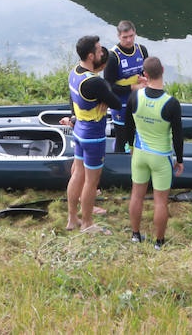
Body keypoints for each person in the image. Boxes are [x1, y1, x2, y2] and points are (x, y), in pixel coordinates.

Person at [65, 34, 125, 232]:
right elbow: (117, 103)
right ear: (91, 56)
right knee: (91, 181)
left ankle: (73, 219)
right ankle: (88, 224)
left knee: (77, 174)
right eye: (99, 50)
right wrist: (104, 98)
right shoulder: (95, 83)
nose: (102, 51)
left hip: (79, 130)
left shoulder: (74, 73)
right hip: (94, 136)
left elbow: (73, 101)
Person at [123, 56, 184, 248]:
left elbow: (127, 126)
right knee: (160, 202)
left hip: (139, 153)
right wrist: (180, 160)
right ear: (163, 70)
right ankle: (159, 242)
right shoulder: (171, 103)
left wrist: (129, 147)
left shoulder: (134, 97)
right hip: (161, 157)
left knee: (136, 195)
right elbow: (178, 136)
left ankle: (135, 234)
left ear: (145, 75)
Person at [102, 19, 148, 152]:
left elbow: (146, 73)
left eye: (131, 36)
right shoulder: (112, 56)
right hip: (120, 104)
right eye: (125, 37)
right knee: (121, 139)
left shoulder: (142, 50)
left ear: (135, 34)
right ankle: (119, 165)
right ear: (118, 36)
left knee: (137, 134)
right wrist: (131, 87)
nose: (129, 40)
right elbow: (108, 87)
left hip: (138, 101)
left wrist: (146, 80)